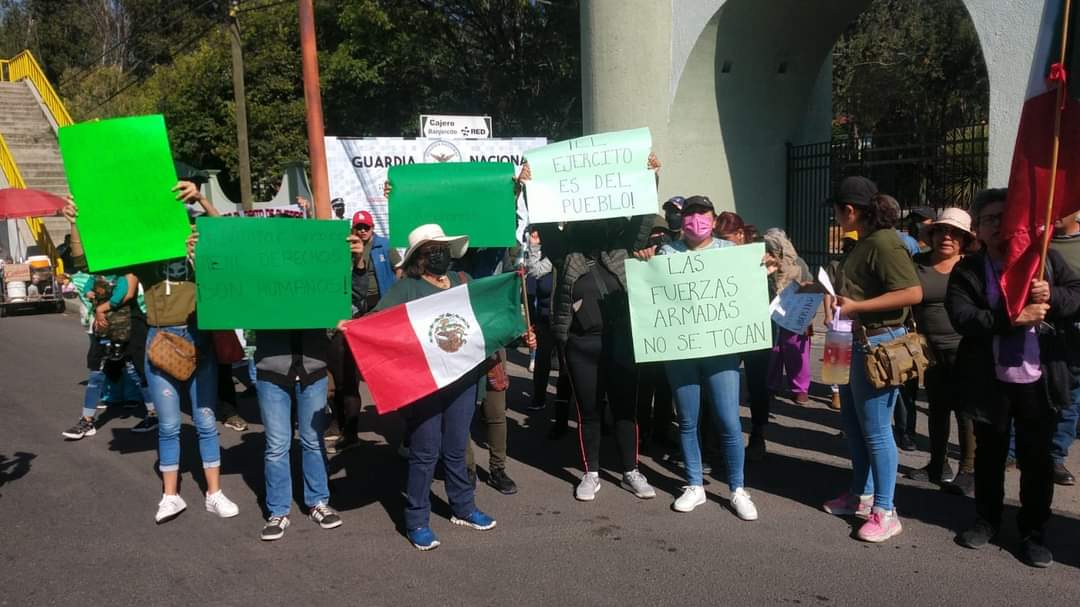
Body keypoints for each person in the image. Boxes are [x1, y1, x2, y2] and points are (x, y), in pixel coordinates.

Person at [373, 224, 526, 550]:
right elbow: (377, 321)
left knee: (457, 447)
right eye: (432, 251)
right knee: (426, 451)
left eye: (442, 248)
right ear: (419, 259)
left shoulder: (462, 281)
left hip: (464, 380)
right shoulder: (407, 288)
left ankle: (464, 507)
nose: (440, 254)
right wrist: (352, 327)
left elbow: (489, 315)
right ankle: (416, 520)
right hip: (426, 384)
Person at [950, 189, 1080, 567]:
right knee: (990, 457)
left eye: (1006, 219)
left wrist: (1051, 294)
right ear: (977, 228)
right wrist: (1012, 319)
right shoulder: (969, 269)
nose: (999, 226)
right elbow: (963, 317)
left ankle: (1033, 532)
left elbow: (1077, 294)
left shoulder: (1044, 261)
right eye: (990, 219)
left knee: (1037, 462)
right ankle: (986, 520)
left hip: (1040, 381)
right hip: (990, 381)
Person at [525, 155, 660, 503]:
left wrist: (650, 176)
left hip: (622, 342)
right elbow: (541, 216)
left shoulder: (622, 248)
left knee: (626, 410)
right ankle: (592, 472)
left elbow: (644, 218)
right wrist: (530, 185)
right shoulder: (565, 254)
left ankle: (631, 470)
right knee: (589, 410)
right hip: (581, 345)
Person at [637, 196, 760, 519]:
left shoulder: (729, 252)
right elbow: (652, 290)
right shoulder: (667, 252)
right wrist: (646, 262)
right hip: (681, 350)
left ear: (713, 218)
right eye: (689, 215)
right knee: (688, 421)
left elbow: (749, 289)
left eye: (701, 214)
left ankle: (737, 488)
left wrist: (766, 269)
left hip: (722, 351)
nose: (695, 221)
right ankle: (694, 484)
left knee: (729, 421)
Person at [821, 176, 923, 543]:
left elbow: (912, 292)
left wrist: (858, 306)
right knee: (855, 423)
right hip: (854, 342)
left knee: (877, 431)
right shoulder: (864, 243)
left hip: (879, 346)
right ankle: (862, 496)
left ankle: (886, 510)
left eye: (836, 211)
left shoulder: (884, 242)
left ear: (850, 211)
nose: (834, 217)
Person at [905, 209, 976, 493]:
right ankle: (937, 463)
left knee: (965, 412)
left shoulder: (972, 266)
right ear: (931, 234)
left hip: (965, 349)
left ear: (964, 239)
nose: (947, 237)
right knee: (937, 409)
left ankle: (968, 470)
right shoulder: (917, 263)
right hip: (929, 350)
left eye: (955, 233)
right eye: (942, 231)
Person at [327, 210, 401, 452]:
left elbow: (399, 271)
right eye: (358, 227)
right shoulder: (342, 248)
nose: (362, 231)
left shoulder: (384, 246)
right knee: (344, 378)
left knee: (393, 375)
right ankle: (347, 429)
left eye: (365, 227)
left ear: (371, 228)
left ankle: (407, 432)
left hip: (381, 314)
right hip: (351, 317)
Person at [60, 271, 159, 439]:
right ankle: (87, 420)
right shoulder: (96, 273)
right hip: (104, 328)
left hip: (131, 327)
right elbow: (87, 289)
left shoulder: (129, 271)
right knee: (97, 372)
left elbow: (127, 294)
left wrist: (101, 308)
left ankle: (153, 414)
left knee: (139, 371)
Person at [525, 226, 573, 437]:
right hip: (545, 319)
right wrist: (534, 246)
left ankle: (562, 413)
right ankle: (539, 397)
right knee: (543, 360)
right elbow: (533, 272)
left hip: (566, 319)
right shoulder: (547, 258)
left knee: (565, 366)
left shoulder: (570, 257)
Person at [763, 228, 813, 406]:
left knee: (795, 350)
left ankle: (799, 389)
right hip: (771, 312)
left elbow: (810, 289)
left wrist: (808, 315)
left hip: (794, 313)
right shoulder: (764, 263)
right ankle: (771, 385)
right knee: (773, 350)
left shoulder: (798, 263)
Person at [1049, 210, 1080, 485]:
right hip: (1037, 331)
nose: (1056, 212)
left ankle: (1055, 457)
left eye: (1065, 206)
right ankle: (1012, 451)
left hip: (1074, 333)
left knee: (1070, 398)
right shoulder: (1039, 243)